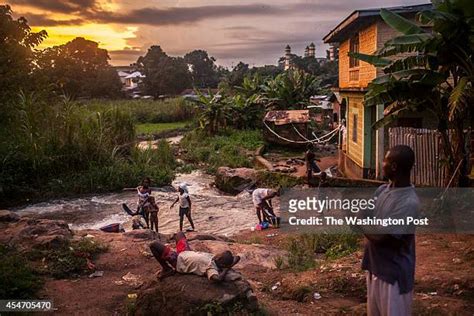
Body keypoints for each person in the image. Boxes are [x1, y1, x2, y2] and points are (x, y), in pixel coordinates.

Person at [361, 145, 420, 316]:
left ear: (394, 166)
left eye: (385, 160)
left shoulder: (408, 203)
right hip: (375, 268)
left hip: (393, 276)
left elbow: (384, 238)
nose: (382, 163)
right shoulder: (382, 190)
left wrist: (360, 223)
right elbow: (366, 211)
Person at [149, 240, 240, 282]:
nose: (217, 254)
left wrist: (226, 269)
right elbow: (237, 257)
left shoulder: (211, 267)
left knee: (153, 245)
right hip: (185, 252)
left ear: (219, 260)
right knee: (179, 234)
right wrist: (229, 265)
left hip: (178, 261)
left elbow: (218, 279)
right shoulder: (214, 258)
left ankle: (167, 269)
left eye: (219, 255)